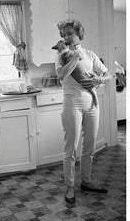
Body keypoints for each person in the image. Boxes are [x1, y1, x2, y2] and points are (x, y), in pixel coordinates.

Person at [55, 19, 112, 204]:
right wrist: (74, 56)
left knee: (89, 147)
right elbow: (62, 75)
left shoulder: (90, 54)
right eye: (63, 35)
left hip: (92, 104)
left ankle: (86, 181)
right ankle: (70, 186)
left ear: (79, 33)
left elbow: (107, 74)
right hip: (72, 103)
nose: (66, 37)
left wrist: (98, 80)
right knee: (70, 148)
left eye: (69, 33)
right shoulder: (62, 55)